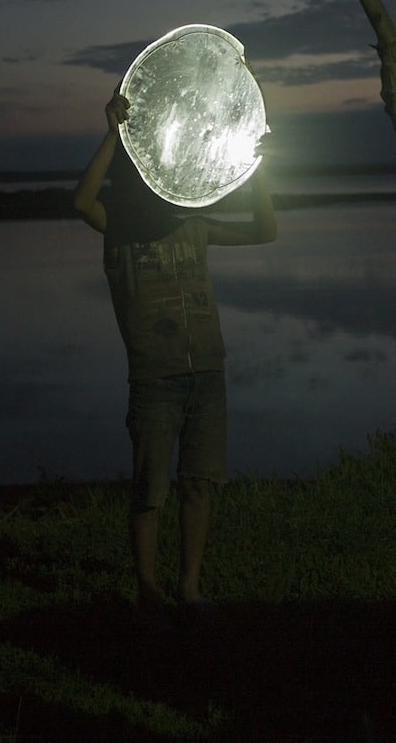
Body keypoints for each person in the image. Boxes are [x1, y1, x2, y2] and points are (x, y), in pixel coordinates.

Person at [73, 87, 277, 627]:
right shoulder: (118, 232)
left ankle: (188, 588)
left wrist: (254, 166)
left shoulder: (194, 224)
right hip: (155, 378)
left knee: (199, 482)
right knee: (150, 491)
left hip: (207, 371)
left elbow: (265, 230)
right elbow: (80, 202)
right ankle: (146, 588)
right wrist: (114, 136)